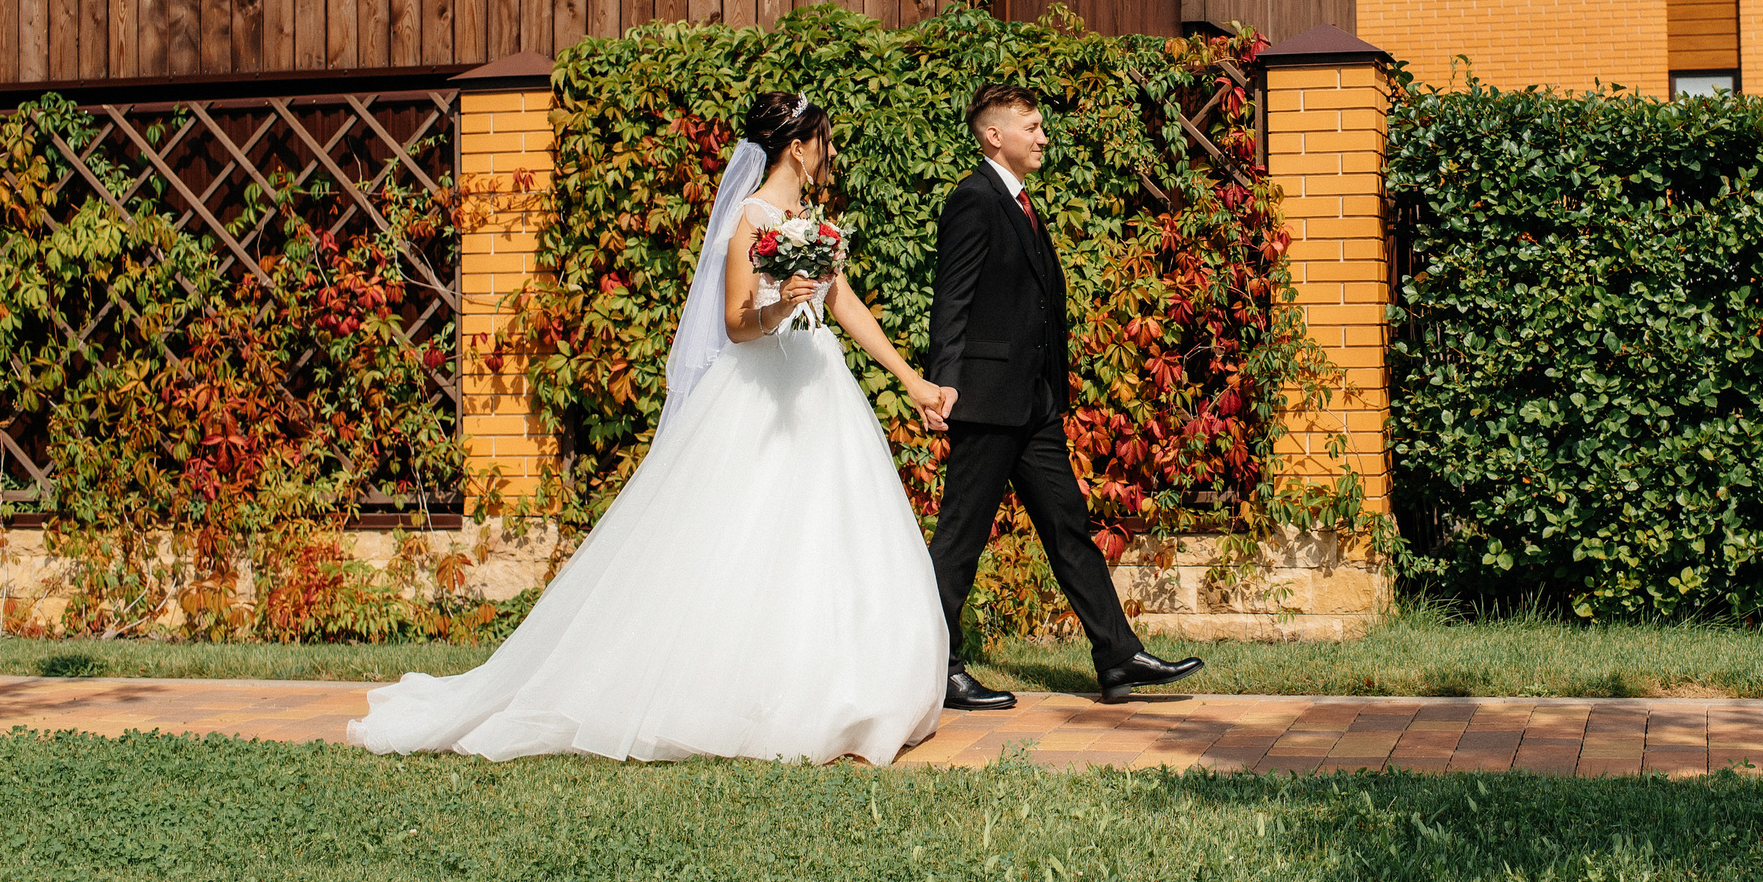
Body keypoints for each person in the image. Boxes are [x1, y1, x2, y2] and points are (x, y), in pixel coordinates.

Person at [347, 92, 953, 765]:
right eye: (825, 141)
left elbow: (843, 300)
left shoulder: (810, 222)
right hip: (761, 390)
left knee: (833, 531)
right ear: (799, 145)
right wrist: (781, 305)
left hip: (821, 389)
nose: (831, 154)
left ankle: (855, 683)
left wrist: (911, 378)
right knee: (746, 539)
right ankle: (746, 690)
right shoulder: (750, 223)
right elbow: (735, 323)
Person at [926, 83, 1204, 709]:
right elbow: (954, 299)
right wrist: (944, 381)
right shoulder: (973, 200)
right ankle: (936, 669)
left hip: (1033, 404)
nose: (1044, 136)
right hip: (986, 399)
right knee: (961, 539)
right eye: (1032, 125)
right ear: (994, 134)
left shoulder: (1022, 203)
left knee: (1069, 528)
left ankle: (1119, 659)